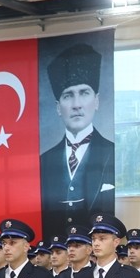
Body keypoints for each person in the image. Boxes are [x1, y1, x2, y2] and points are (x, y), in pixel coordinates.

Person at [40, 43, 115, 240]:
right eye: (68, 95)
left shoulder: (111, 152)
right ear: (58, 107)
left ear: (96, 100)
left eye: (84, 93)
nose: (76, 104)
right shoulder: (44, 161)